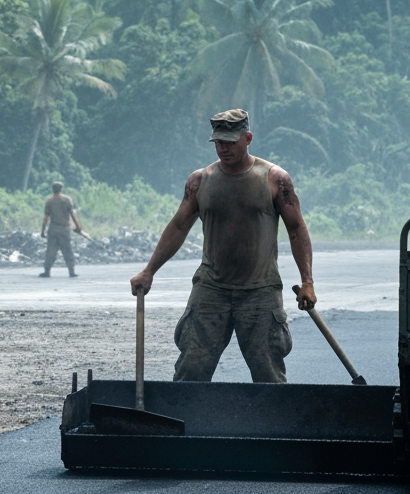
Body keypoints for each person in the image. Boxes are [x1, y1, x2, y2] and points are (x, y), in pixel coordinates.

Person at [129, 109, 315, 384]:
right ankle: (185, 421)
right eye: (218, 142)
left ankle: (272, 422)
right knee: (191, 365)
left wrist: (307, 281)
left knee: (269, 372)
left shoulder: (275, 179)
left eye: (230, 142)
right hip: (211, 288)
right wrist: (149, 271)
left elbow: (297, 229)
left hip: (260, 290)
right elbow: (179, 226)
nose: (223, 148)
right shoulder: (200, 181)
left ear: (248, 138)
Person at [39, 182, 82, 278]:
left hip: (53, 229)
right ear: (61, 189)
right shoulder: (67, 199)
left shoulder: (49, 201)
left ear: (52, 189)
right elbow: (72, 214)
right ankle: (71, 271)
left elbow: (46, 217)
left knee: (51, 250)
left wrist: (42, 230)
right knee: (67, 250)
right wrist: (78, 226)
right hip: (64, 229)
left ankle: (47, 271)